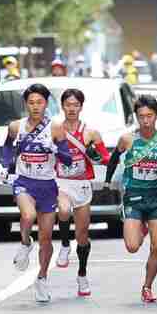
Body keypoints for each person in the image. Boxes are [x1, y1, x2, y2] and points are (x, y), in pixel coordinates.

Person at [2, 84, 72, 303]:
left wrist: (54, 149)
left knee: (46, 237)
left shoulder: (56, 127)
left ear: (46, 104)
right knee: (28, 215)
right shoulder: (16, 126)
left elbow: (68, 159)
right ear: (26, 104)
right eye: (31, 102)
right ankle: (25, 242)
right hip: (24, 182)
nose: (35, 106)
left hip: (47, 186)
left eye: (39, 102)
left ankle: (41, 278)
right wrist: (5, 165)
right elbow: (7, 148)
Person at [105, 95, 157, 303]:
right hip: (134, 197)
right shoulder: (127, 139)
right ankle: (140, 228)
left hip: (156, 199)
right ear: (136, 117)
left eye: (150, 116)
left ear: (156, 116)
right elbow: (113, 159)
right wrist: (108, 181)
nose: (146, 121)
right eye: (141, 116)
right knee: (132, 246)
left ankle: (147, 286)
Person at [54, 88, 109, 298]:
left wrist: (95, 155)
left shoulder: (90, 133)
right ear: (62, 106)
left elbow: (105, 158)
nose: (71, 109)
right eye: (68, 104)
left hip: (82, 185)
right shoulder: (55, 130)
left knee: (83, 235)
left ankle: (82, 274)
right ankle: (64, 245)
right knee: (63, 210)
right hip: (61, 182)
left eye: (75, 105)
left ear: (81, 107)